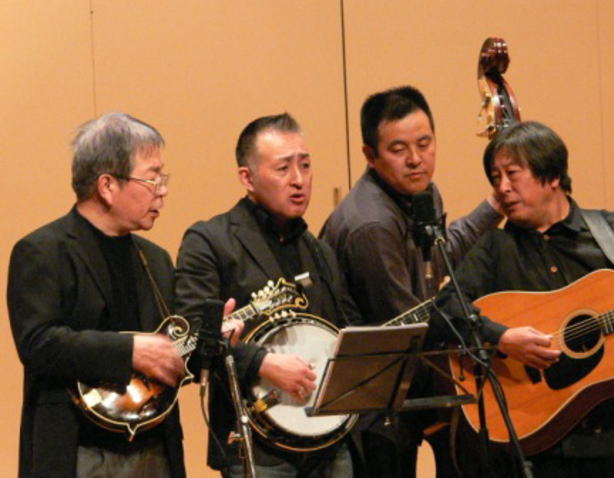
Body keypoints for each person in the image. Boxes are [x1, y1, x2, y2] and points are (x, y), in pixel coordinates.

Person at [432, 120, 614, 476]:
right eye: (495, 178)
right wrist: (502, 338)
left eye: (512, 174)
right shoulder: (494, 248)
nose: (502, 188)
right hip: (541, 449)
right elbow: (443, 311)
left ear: (552, 176)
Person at [320, 85, 503, 477]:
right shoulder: (371, 225)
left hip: (405, 384)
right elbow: (407, 322)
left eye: (425, 143)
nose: (416, 159)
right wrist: (496, 333)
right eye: (398, 149)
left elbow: (437, 257)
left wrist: (494, 206)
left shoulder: (421, 194)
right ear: (370, 155)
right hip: (371, 401)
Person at [174, 113, 361, 477]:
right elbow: (191, 339)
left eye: (305, 165)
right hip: (256, 445)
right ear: (247, 178)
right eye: (283, 168)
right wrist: (262, 362)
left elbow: (346, 330)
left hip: (327, 438)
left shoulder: (319, 252)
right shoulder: (210, 242)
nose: (299, 180)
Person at [7, 113, 187, 477]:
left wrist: (209, 342)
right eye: (152, 177)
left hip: (154, 448)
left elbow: (168, 353)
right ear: (107, 185)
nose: (162, 190)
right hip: (78, 450)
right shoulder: (43, 250)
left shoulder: (155, 259)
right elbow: (38, 343)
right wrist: (131, 350)